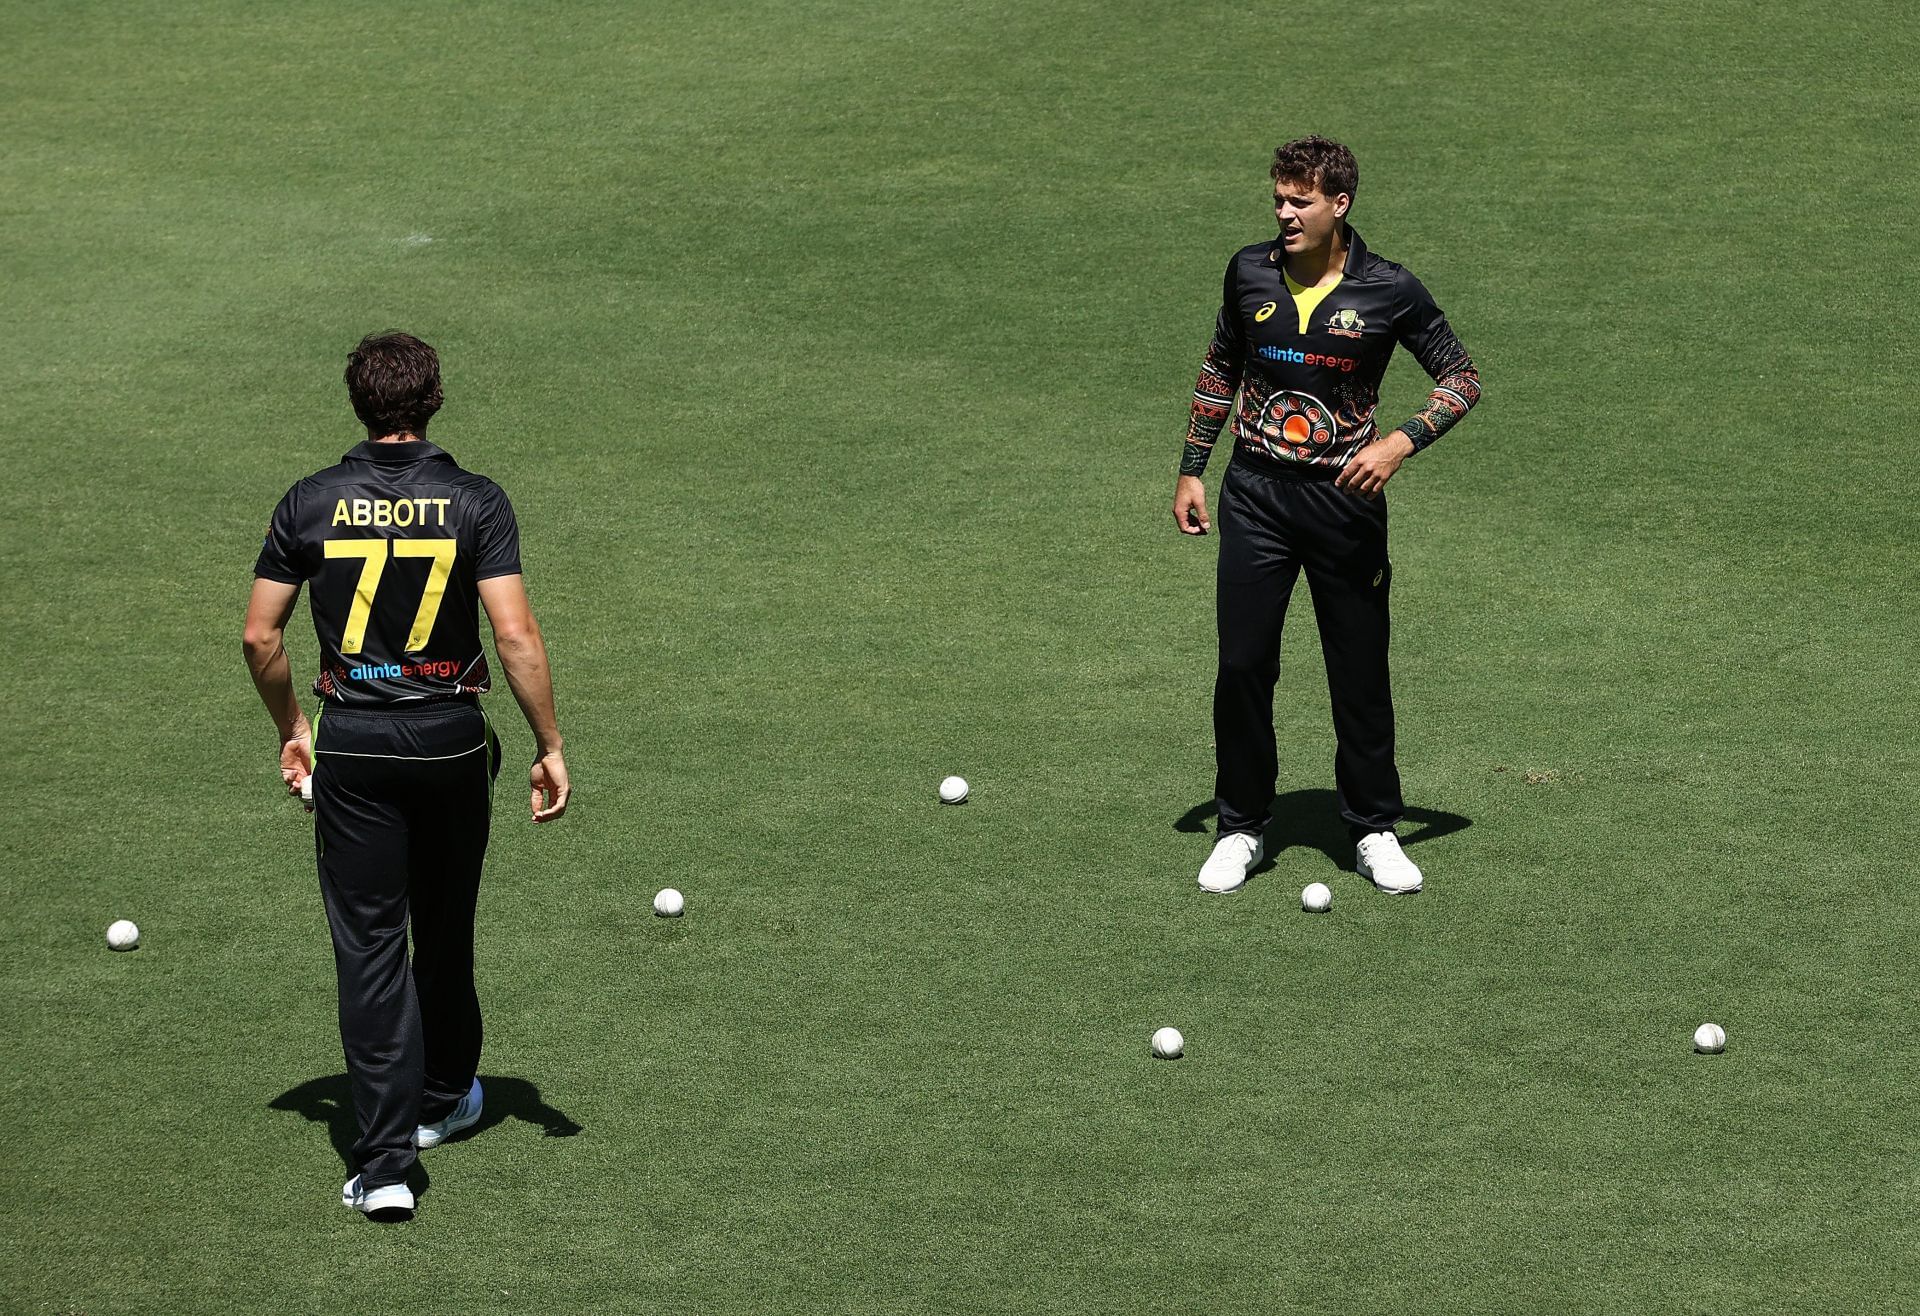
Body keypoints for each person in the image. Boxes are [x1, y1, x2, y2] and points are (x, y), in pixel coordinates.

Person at [242, 332, 571, 1218]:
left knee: (371, 948)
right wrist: (548, 742)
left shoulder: (309, 501)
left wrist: (293, 729)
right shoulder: (475, 500)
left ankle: (384, 1166)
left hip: (354, 746)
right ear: (433, 400)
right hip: (454, 740)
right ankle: (444, 1098)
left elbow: (259, 636)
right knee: (445, 922)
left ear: (357, 402)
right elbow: (513, 635)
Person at [1173, 136, 1480, 897]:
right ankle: (1241, 828)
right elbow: (1221, 367)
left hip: (1344, 505)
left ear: (1338, 204)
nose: (1283, 213)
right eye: (1278, 198)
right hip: (1255, 496)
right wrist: (1192, 469)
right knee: (1243, 665)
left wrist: (1401, 443)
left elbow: (1462, 378)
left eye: (1299, 201)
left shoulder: (1389, 289)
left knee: (1359, 669)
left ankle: (1375, 829)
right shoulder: (1248, 271)